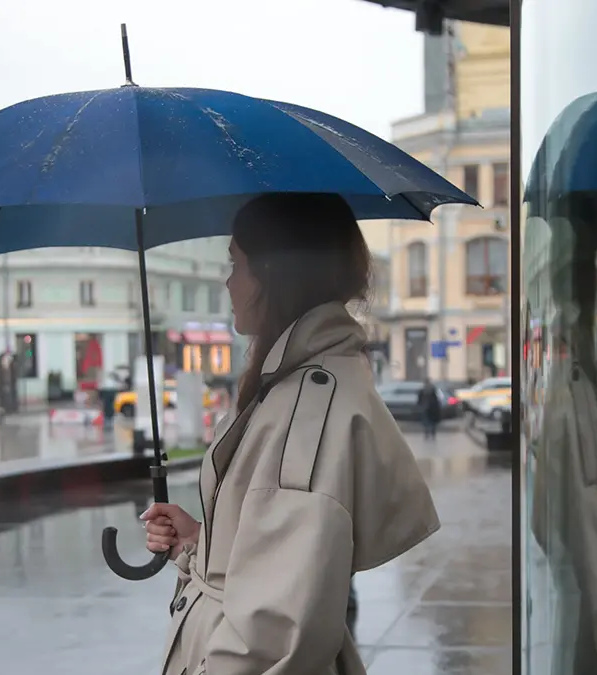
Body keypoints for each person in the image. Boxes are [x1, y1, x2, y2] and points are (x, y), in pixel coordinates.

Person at [141, 193, 440, 675]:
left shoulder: (307, 407)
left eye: (236, 263)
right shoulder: (302, 383)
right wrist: (201, 541)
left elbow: (271, 639)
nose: (228, 281)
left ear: (273, 274)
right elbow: (275, 568)